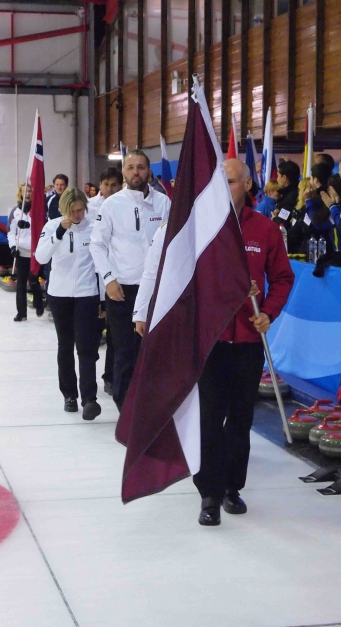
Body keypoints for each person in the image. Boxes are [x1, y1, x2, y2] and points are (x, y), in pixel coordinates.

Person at [133, 159, 294, 526]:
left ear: (248, 185)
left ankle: (232, 487)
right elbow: (181, 277)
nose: (225, 188)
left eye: (232, 181)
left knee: (240, 417)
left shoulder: (265, 229)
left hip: (248, 339)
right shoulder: (201, 228)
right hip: (210, 340)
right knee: (208, 417)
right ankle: (209, 492)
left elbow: (283, 278)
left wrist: (268, 312)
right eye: (220, 182)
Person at [90, 148, 171, 411]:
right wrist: (108, 279)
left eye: (141, 167)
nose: (136, 172)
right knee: (124, 351)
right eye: (130, 167)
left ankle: (150, 407)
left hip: (156, 291)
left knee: (153, 352)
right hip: (122, 290)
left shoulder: (164, 203)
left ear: (149, 172)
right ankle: (125, 410)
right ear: (123, 172)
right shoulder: (112, 204)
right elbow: (97, 244)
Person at [36, 188, 103, 419]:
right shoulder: (51, 226)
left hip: (87, 294)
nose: (77, 215)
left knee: (86, 347)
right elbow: (41, 257)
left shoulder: (94, 228)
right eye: (73, 211)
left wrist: (102, 298)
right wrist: (58, 233)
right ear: (64, 209)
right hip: (59, 295)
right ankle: (69, 395)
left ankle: (89, 399)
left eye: (80, 210)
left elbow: (100, 264)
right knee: (65, 346)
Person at [87, 166, 124, 395]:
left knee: (114, 334)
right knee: (91, 335)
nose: (110, 189)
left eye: (114, 185)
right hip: (91, 277)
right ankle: (88, 380)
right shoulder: (89, 207)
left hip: (115, 277)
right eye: (106, 184)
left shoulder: (124, 206)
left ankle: (110, 376)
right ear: (100, 185)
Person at [7, 183, 44, 322]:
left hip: (35, 251)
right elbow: (10, 232)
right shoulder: (15, 211)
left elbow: (43, 228)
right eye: (25, 191)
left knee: (34, 280)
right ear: (21, 193)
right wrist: (13, 247)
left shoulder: (38, 210)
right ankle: (21, 313)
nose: (27, 193)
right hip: (21, 251)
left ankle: (39, 303)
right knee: (21, 283)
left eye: (29, 191)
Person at [272, 159, 300, 227]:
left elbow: (282, 222)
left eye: (278, 176)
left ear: (284, 178)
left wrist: (275, 219)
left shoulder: (290, 198)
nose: (277, 179)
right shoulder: (296, 191)